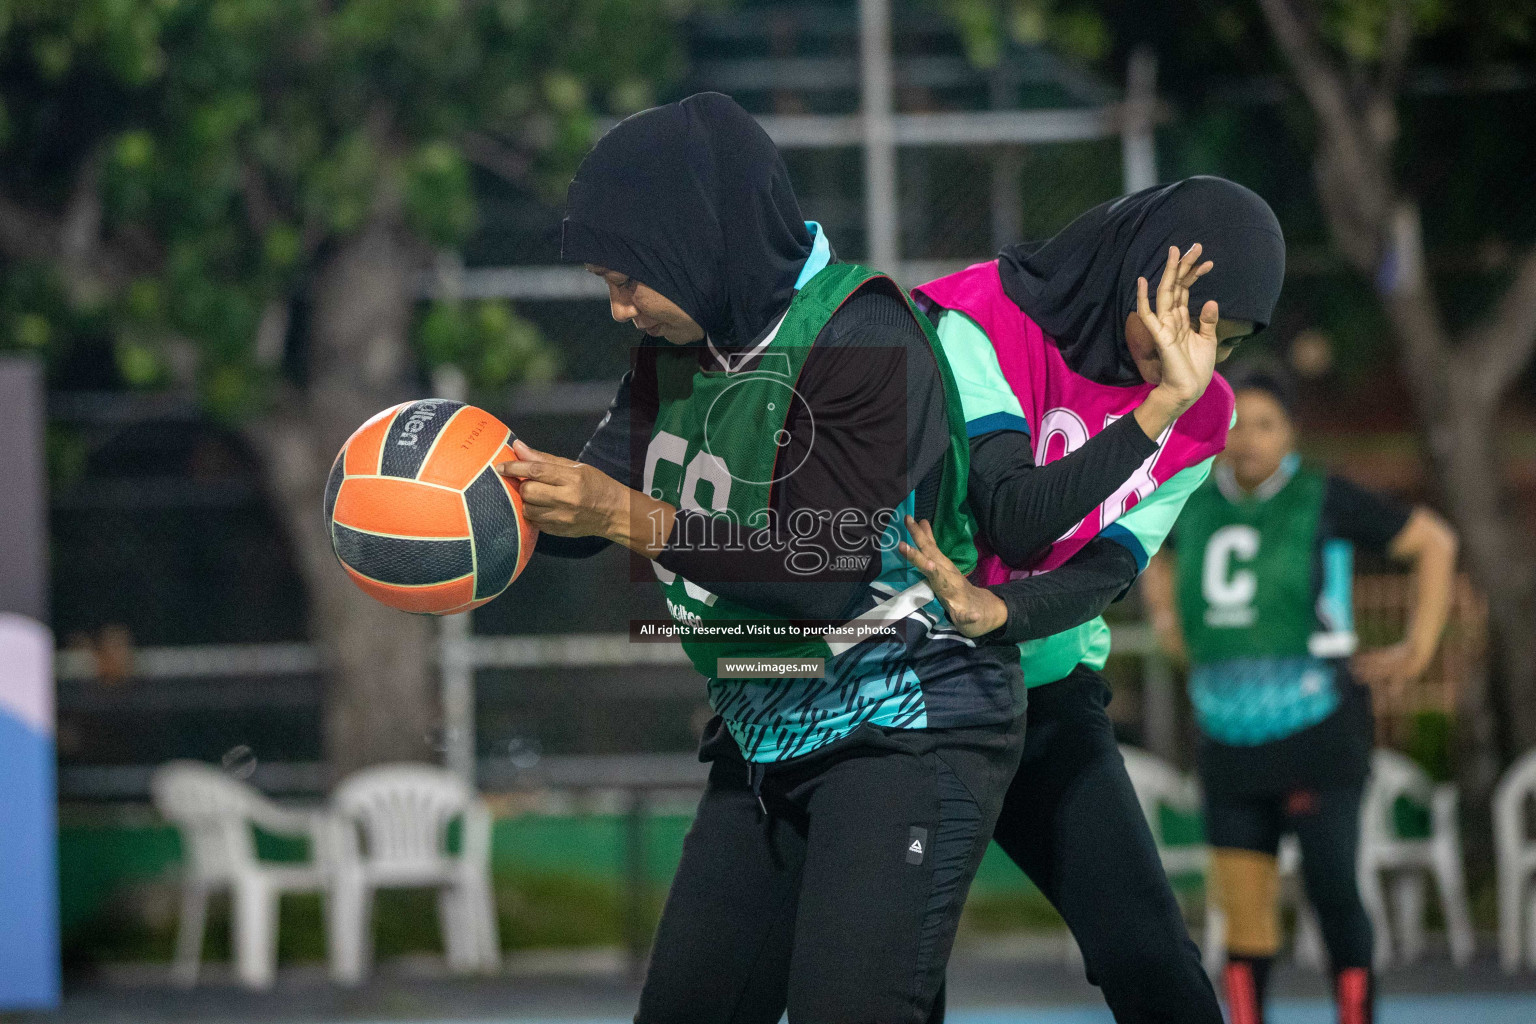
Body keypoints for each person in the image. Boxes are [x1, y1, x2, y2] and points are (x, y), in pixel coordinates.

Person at [900, 177, 1288, 1024]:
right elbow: (1014, 521)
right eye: (1189, 322)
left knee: (1151, 957)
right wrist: (1154, 412)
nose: (1199, 359)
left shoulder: (1198, 411)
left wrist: (1004, 615)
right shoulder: (979, 320)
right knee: (897, 977)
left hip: (1046, 692)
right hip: (914, 696)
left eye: (1227, 342)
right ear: (1138, 274)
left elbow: (1104, 571)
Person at [1140, 360, 1458, 1024]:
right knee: (1244, 909)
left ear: (1291, 432)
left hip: (1320, 729)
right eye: (1236, 424)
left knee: (1333, 888)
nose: (1249, 438)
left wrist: (1417, 647)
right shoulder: (1189, 497)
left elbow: (1434, 542)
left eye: (1266, 424)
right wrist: (1169, 622)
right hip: (1226, 735)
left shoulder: (1326, 497)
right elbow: (1148, 555)